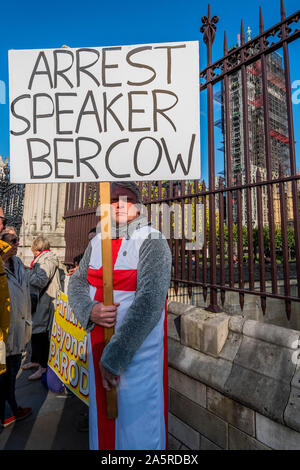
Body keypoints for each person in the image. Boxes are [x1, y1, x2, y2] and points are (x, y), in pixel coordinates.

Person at [68, 182, 172, 450]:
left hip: (135, 361)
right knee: (101, 432)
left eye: (127, 199)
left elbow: (149, 303)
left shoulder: (153, 240)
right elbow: (77, 283)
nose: (120, 204)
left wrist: (114, 358)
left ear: (139, 205)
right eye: (114, 199)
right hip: (98, 352)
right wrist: (89, 310)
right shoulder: (96, 241)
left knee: (138, 435)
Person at [0, 230, 32, 428]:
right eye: (12, 240)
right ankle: (8, 409)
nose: (17, 243)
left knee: (12, 372)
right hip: (4, 327)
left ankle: (12, 407)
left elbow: (26, 290)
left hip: (19, 324)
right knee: (3, 374)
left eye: (17, 239)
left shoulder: (19, 264)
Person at [23, 236, 61, 380]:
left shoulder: (47, 259)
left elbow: (40, 280)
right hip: (39, 301)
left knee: (40, 334)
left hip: (45, 302)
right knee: (35, 331)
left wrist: (25, 272)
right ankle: (35, 360)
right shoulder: (42, 258)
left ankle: (43, 366)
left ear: (37, 248)